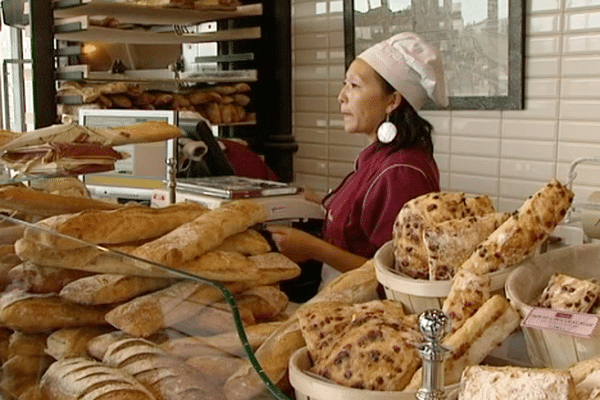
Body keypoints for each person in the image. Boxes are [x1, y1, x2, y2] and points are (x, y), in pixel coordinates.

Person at [268, 32, 449, 287]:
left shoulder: (401, 173)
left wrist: (312, 248)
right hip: (341, 300)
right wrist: (322, 201)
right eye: (346, 84)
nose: (341, 96)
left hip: (369, 312)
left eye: (354, 86)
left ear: (392, 101)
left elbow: (395, 275)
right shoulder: (379, 156)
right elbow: (365, 219)